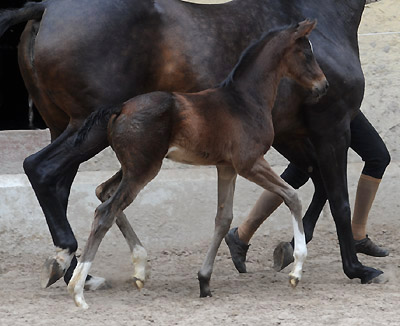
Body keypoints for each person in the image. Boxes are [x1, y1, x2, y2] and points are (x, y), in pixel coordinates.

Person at [225, 111, 391, 273]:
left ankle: (358, 234)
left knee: (378, 156)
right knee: (303, 170)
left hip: (342, 100)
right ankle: (243, 233)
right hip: (314, 107)